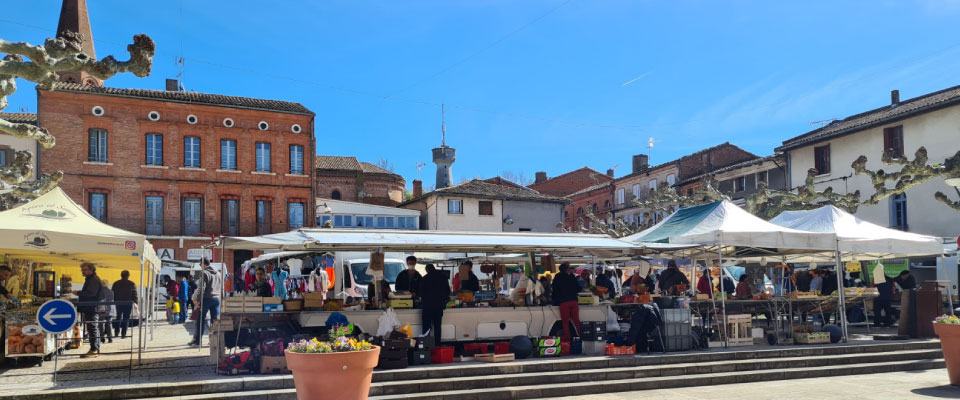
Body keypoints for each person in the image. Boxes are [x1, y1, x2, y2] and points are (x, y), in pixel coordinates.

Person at [190, 259, 222, 346]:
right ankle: (215, 340)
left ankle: (198, 341)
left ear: (203, 264)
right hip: (216, 298)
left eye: (200, 265)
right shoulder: (218, 273)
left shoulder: (204, 273)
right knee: (214, 321)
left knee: (200, 320)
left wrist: (197, 300)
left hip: (207, 298)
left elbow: (201, 289)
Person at [76, 262, 103, 358]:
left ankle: (94, 349)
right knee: (93, 327)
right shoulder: (91, 279)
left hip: (92, 307)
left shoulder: (93, 279)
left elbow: (91, 293)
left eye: (85, 269)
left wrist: (79, 293)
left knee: (92, 327)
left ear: (91, 270)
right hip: (91, 307)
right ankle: (95, 348)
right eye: (82, 270)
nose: (83, 271)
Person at [419, 264, 450, 341]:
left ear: (427, 270)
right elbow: (447, 292)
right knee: (437, 327)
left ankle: (426, 345)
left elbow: (421, 293)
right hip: (439, 306)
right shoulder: (443, 278)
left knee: (426, 327)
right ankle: (437, 345)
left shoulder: (425, 278)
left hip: (427, 307)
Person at [552, 262, 581, 341]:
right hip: (574, 302)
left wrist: (553, 298)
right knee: (576, 321)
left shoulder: (557, 277)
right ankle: (581, 336)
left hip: (564, 302)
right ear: (567, 269)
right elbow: (578, 288)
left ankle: (568, 340)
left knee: (565, 322)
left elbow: (554, 289)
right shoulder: (572, 276)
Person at [111, 270, 137, 338]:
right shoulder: (131, 284)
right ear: (128, 276)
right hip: (128, 303)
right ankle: (123, 334)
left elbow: (112, 293)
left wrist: (114, 301)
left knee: (118, 317)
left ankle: (116, 332)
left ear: (121, 275)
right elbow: (134, 294)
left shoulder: (116, 283)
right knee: (126, 318)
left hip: (118, 303)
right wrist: (135, 302)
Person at [99, 279, 115, 344]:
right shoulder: (111, 291)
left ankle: (102, 338)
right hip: (110, 310)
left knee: (101, 324)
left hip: (102, 309)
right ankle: (110, 338)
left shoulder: (100, 292)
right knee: (109, 324)